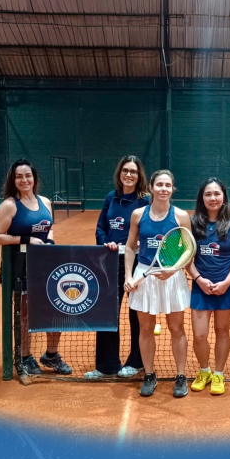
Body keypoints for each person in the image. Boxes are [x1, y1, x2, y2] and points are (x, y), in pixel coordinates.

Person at [0, 158, 71, 376]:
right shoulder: (9, 205)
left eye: (28, 175)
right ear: (13, 180)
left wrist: (49, 241)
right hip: (20, 266)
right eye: (19, 176)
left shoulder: (45, 201)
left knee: (56, 308)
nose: (24, 180)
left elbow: (49, 227)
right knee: (25, 313)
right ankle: (24, 357)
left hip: (45, 264)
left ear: (34, 178)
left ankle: (51, 355)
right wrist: (26, 240)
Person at [124, 170, 192, 398]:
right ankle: (149, 374)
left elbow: (189, 250)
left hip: (172, 276)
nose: (164, 189)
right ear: (151, 188)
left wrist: (173, 270)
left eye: (168, 185)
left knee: (177, 329)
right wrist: (128, 276)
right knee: (145, 328)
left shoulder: (181, 216)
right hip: (144, 274)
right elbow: (130, 247)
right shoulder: (138, 215)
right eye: (160, 185)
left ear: (173, 189)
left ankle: (181, 376)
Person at [85, 156, 150, 379]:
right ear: (119, 173)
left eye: (133, 171)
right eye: (125, 170)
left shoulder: (145, 201)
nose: (129, 175)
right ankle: (107, 365)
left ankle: (137, 362)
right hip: (110, 262)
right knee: (107, 313)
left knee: (137, 314)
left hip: (137, 263)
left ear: (139, 176)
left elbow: (152, 227)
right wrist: (106, 243)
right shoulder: (110, 198)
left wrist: (141, 241)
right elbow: (101, 228)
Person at [188, 178, 230, 395]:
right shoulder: (192, 223)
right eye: (208, 194)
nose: (213, 198)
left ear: (224, 197)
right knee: (199, 335)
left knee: (222, 331)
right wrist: (198, 279)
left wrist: (227, 282)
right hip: (200, 287)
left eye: (217, 194)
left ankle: (219, 374)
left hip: (225, 287)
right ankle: (204, 371)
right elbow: (186, 257)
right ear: (202, 198)